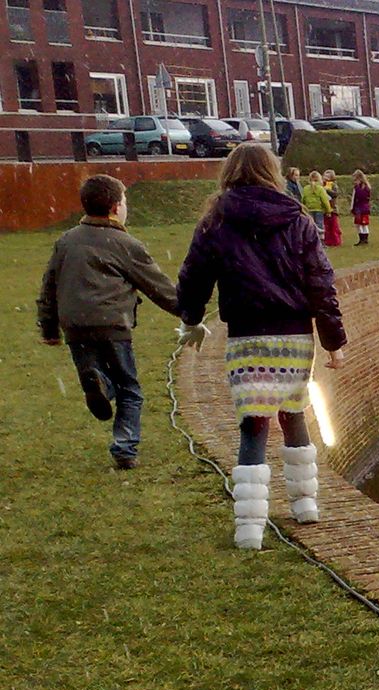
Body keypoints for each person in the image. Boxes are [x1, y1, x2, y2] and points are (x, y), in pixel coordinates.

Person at [176, 145, 347, 551]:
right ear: (273, 172)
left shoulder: (216, 220)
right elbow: (320, 283)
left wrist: (191, 319)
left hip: (247, 337)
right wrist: (333, 341)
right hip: (293, 336)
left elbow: (194, 277)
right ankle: (305, 503)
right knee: (293, 414)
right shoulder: (297, 219)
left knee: (253, 424)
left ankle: (249, 527)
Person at [36, 174, 181, 470]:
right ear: (116, 207)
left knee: (97, 373)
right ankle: (124, 447)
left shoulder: (66, 241)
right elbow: (157, 286)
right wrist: (188, 310)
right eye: (125, 201)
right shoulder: (125, 244)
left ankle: (99, 382)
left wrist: (49, 327)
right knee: (130, 388)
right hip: (112, 324)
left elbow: (49, 287)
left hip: (75, 326)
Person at [322, 169, 342, 247]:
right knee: (326, 226)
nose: (326, 178)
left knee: (334, 226)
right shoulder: (321, 185)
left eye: (328, 176)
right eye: (325, 176)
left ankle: (336, 240)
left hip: (333, 208)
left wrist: (328, 190)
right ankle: (327, 241)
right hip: (324, 208)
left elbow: (335, 194)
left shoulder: (333, 185)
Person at [351, 170, 372, 246]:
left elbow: (354, 199)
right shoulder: (367, 187)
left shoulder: (357, 188)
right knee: (364, 224)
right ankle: (365, 239)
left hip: (358, 208)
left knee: (358, 224)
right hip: (365, 207)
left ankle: (361, 239)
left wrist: (352, 208)